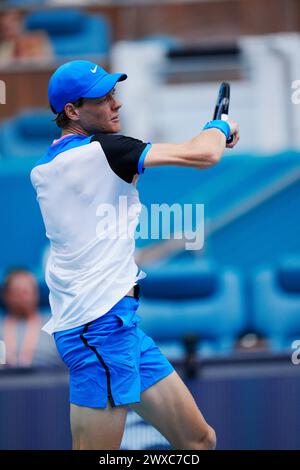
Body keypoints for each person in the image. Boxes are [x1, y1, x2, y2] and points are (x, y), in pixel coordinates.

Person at [30, 60, 240, 450]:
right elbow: (204, 155)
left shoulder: (53, 163)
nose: (116, 104)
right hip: (98, 327)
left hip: (118, 324)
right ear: (72, 112)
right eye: (103, 97)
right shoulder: (101, 152)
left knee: (199, 441)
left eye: (114, 93)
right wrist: (220, 127)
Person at [0, 269, 63, 369]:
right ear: (6, 295)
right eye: (16, 291)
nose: (22, 296)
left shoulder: (56, 326)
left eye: (26, 291)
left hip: (48, 381)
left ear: (36, 294)